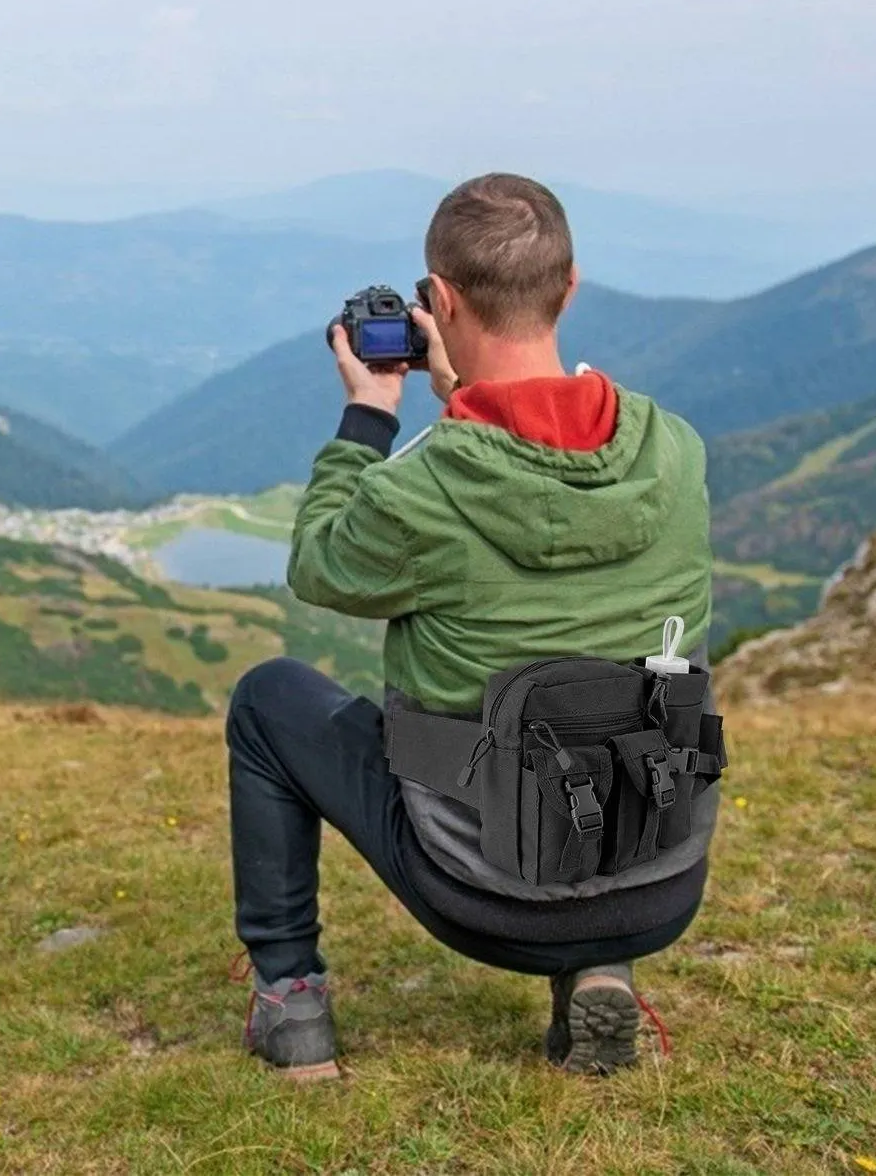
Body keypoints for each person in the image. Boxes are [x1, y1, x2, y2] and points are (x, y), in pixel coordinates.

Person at [227, 173, 714, 1079]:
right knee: (611, 687)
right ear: (570, 287)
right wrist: (469, 400)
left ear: (440, 301)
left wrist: (369, 414)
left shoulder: (427, 489)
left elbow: (319, 565)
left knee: (267, 700)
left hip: (482, 896)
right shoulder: (674, 451)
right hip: (661, 883)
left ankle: (289, 1003)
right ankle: (600, 968)